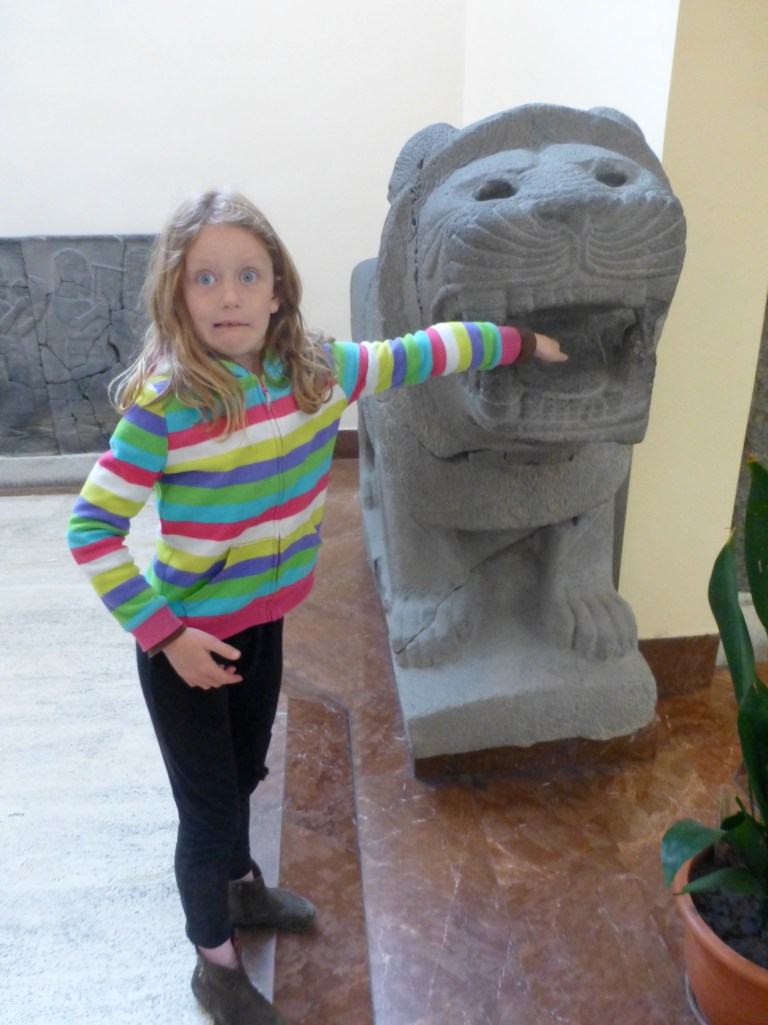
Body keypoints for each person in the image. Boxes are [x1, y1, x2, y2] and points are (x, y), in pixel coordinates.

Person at [67, 188, 566, 1025]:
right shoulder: (165, 408)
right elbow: (91, 530)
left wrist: (518, 342)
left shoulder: (319, 374)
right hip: (185, 645)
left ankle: (243, 889)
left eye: (246, 274)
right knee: (211, 807)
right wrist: (167, 635)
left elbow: (424, 351)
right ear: (176, 296)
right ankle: (215, 967)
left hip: (263, 624)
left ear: (277, 290)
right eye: (205, 279)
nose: (228, 294)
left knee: (250, 774)